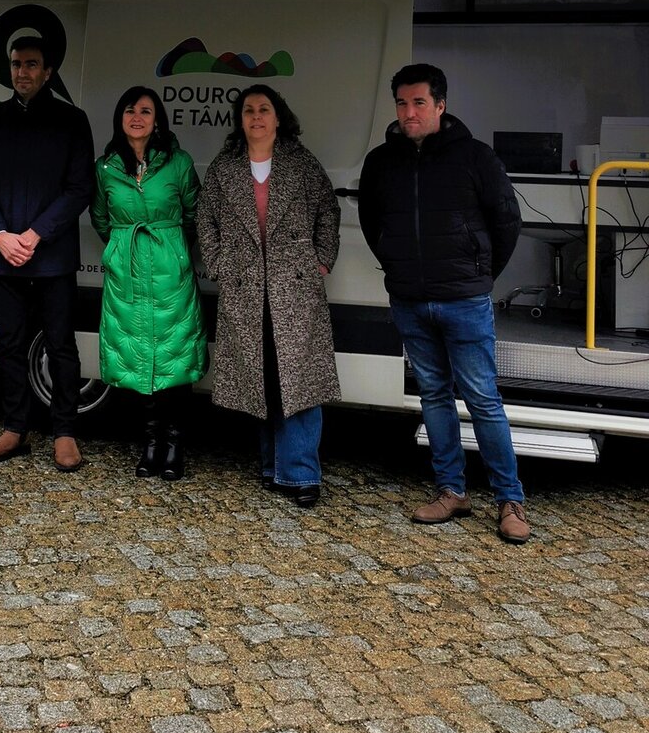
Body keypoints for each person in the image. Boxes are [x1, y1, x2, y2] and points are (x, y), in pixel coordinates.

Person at [356, 62, 529, 545]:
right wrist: (396, 263)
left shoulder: (475, 157)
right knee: (433, 396)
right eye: (402, 103)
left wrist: (478, 275)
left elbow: (507, 222)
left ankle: (509, 500)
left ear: (440, 105)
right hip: (410, 299)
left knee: (483, 401)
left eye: (419, 102)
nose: (409, 112)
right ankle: (451, 491)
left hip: (464, 300)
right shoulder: (381, 161)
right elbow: (373, 223)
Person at [197, 84, 341, 508]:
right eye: (248, 110)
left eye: (264, 110)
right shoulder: (225, 169)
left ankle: (301, 475)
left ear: (279, 117)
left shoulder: (302, 163)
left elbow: (328, 212)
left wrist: (321, 262)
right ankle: (272, 466)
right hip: (245, 289)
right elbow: (205, 221)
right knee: (262, 377)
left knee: (298, 379)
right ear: (240, 120)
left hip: (294, 289)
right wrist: (221, 264)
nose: (256, 117)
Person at [0, 36, 94, 472]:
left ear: (48, 71)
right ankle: (14, 429)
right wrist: (0, 234)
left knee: (60, 346)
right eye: (17, 63)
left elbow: (80, 188)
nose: (22, 72)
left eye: (31, 64)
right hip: (3, 256)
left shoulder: (72, 121)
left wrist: (36, 234)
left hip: (52, 256)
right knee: (13, 346)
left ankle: (64, 432)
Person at [91, 86, 206, 480]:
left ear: (158, 119)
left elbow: (194, 214)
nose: (136, 117)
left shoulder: (178, 162)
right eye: (129, 110)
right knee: (142, 360)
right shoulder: (105, 167)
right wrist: (122, 250)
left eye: (145, 110)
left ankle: (174, 445)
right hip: (128, 273)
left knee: (173, 358)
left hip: (170, 272)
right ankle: (151, 442)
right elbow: (102, 219)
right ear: (119, 118)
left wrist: (173, 251)